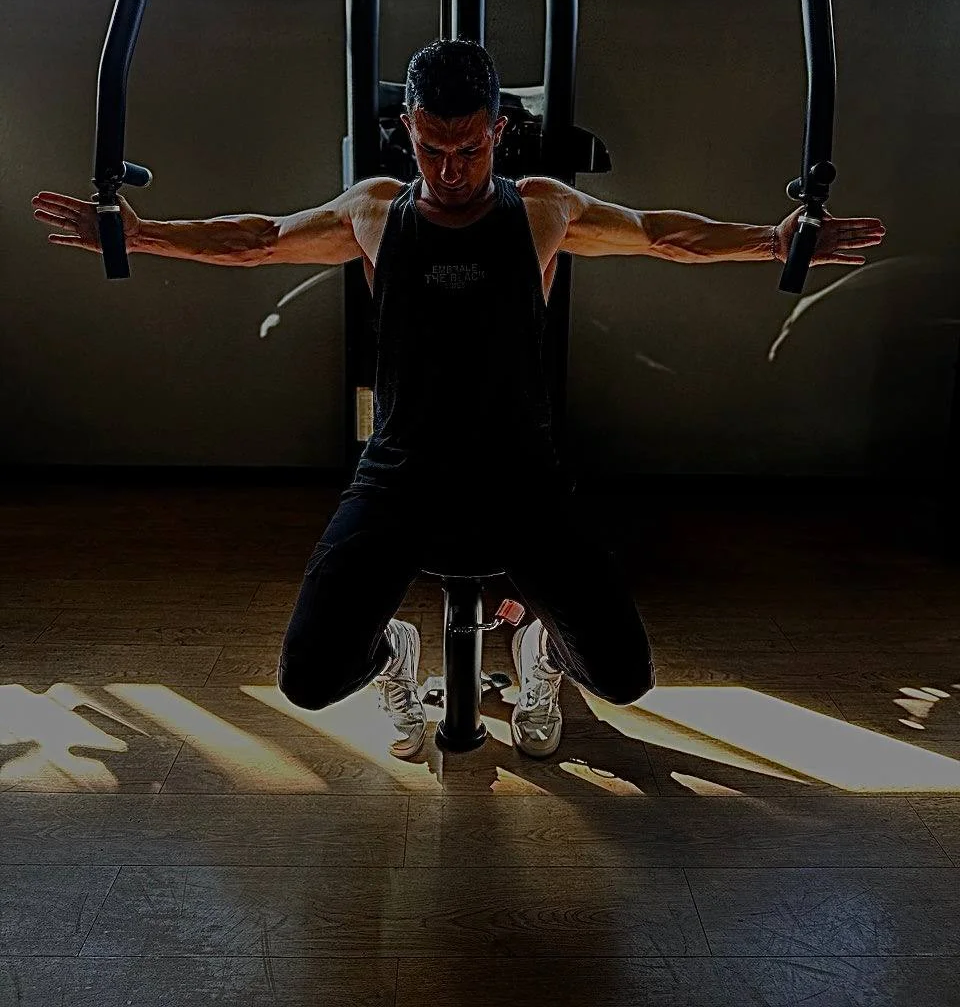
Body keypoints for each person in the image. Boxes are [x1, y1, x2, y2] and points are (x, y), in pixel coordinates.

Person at [31, 37, 886, 761]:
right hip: (398, 476)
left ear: (497, 133)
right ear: (407, 129)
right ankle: (393, 652)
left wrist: (771, 242)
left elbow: (665, 236)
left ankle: (542, 649)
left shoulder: (543, 211)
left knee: (624, 676)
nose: (449, 169)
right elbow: (258, 240)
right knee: (309, 678)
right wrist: (143, 235)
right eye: (432, 149)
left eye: (469, 149)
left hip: (522, 479)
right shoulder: (375, 212)